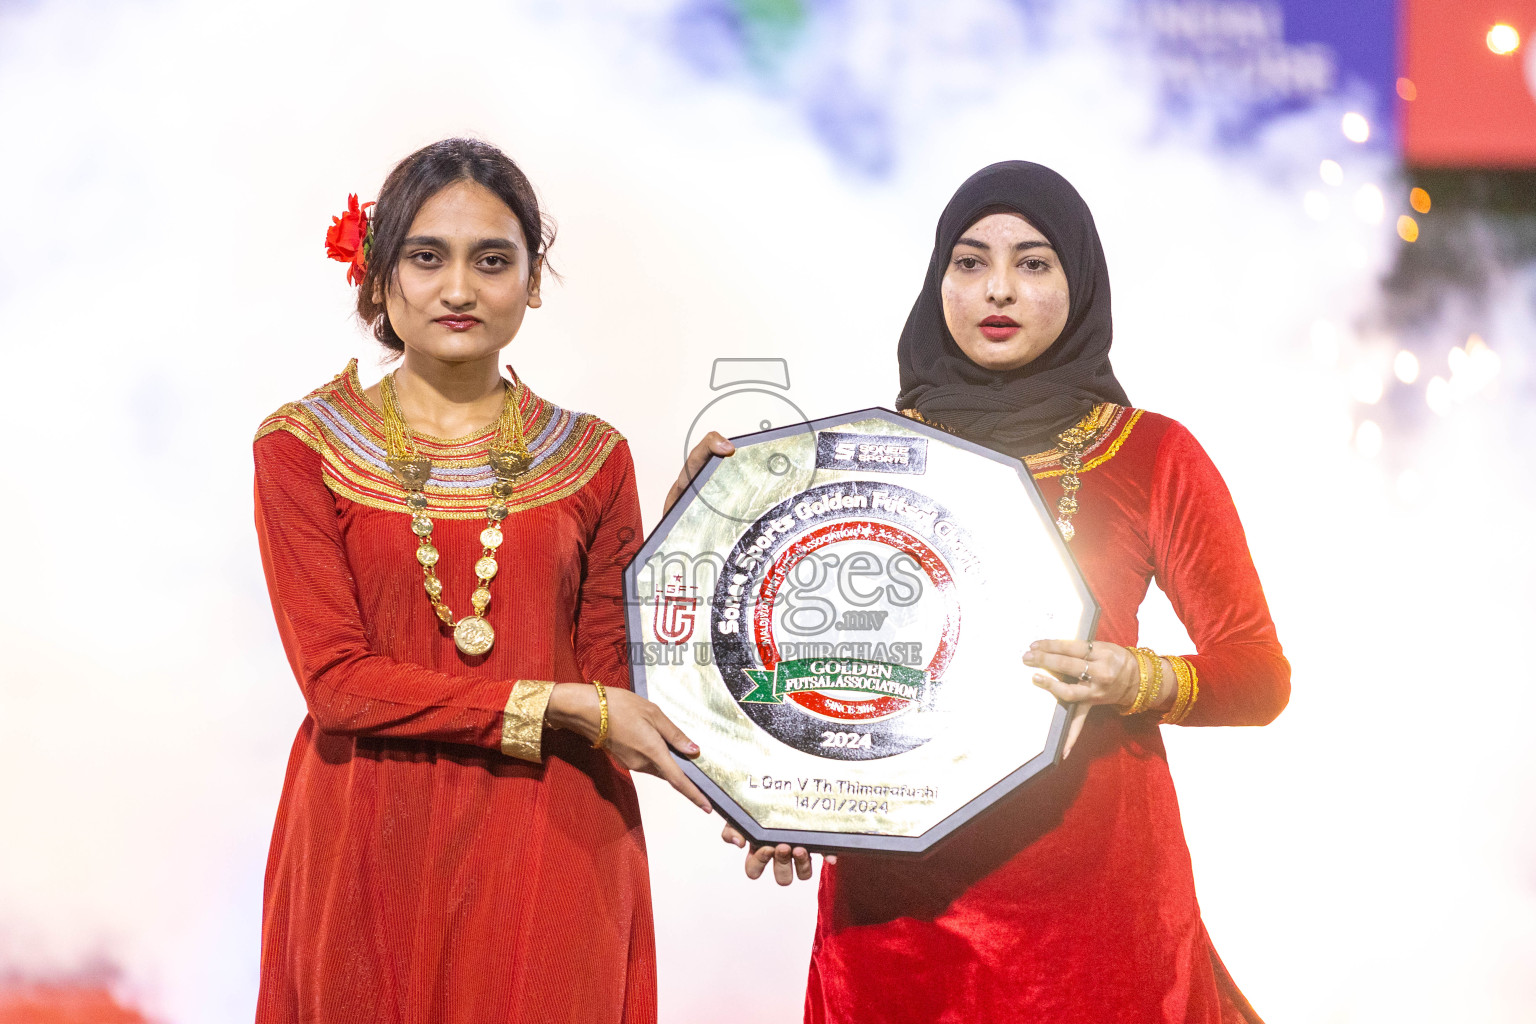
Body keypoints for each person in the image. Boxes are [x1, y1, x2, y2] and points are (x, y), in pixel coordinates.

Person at [672, 161, 1290, 1022]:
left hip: (1095, 912)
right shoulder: (859, 454)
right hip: (899, 917)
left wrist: (1136, 679)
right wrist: (771, 795)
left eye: (1034, 264)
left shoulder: (1151, 456)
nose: (998, 289)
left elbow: (1259, 676)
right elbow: (775, 664)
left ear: (1079, 283)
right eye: (969, 263)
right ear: (938, 282)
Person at [252, 138, 709, 1024]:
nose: (459, 288)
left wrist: (701, 540)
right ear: (378, 279)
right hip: (369, 841)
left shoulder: (593, 457)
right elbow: (338, 685)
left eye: (491, 261)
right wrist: (554, 708)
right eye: (427, 257)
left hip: (553, 846)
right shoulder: (301, 448)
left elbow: (613, 680)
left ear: (532, 281)